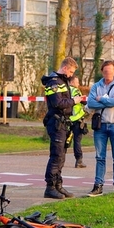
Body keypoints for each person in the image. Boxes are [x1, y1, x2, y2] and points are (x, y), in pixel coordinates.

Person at [41, 57, 83, 199]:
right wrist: (74, 101)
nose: (71, 75)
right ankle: (50, 187)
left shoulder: (62, 81)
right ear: (65, 68)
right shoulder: (53, 82)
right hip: (56, 122)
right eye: (70, 71)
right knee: (56, 155)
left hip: (64, 123)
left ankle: (58, 185)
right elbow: (57, 103)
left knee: (62, 156)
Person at [86, 60, 114, 197]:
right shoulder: (96, 86)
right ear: (102, 72)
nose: (107, 74)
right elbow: (90, 103)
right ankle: (98, 186)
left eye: (109, 71)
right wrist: (105, 101)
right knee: (100, 157)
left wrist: (100, 99)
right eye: (105, 72)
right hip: (100, 126)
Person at [67, 75, 87, 168]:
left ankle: (60, 159)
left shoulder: (65, 90)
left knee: (65, 139)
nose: (78, 84)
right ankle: (79, 160)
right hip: (77, 119)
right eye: (77, 82)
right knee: (77, 141)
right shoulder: (75, 90)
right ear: (71, 82)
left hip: (67, 119)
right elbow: (81, 101)